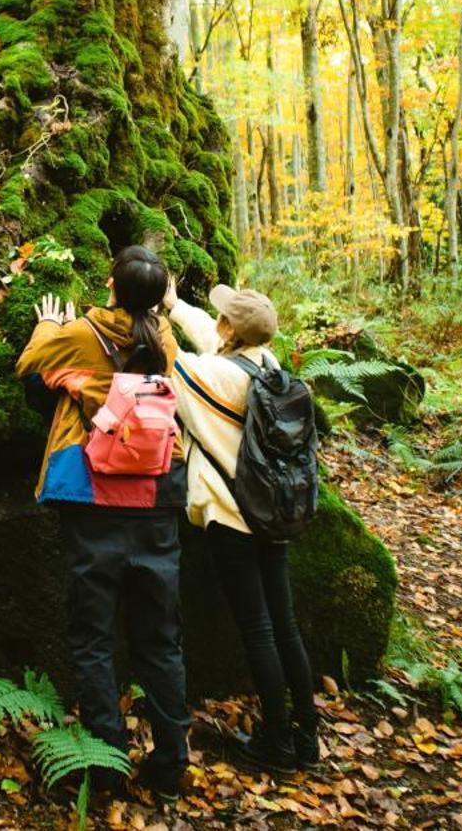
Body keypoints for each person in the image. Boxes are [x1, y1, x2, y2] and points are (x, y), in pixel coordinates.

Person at [17, 245, 191, 800]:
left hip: (94, 497)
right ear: (160, 295)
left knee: (93, 637)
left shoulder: (82, 334)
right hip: (160, 493)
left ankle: (108, 765)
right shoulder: (164, 339)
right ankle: (170, 765)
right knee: (160, 639)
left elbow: (29, 366)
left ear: (111, 286)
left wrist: (48, 327)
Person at [167, 282, 320, 773]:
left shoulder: (205, 375)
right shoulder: (272, 370)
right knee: (285, 624)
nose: (215, 322)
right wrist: (175, 306)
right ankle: (306, 736)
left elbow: (167, 356)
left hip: (232, 516)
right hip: (275, 511)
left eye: (221, 316)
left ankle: (274, 744)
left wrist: (148, 309)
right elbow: (211, 345)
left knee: (257, 629)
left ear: (230, 328)